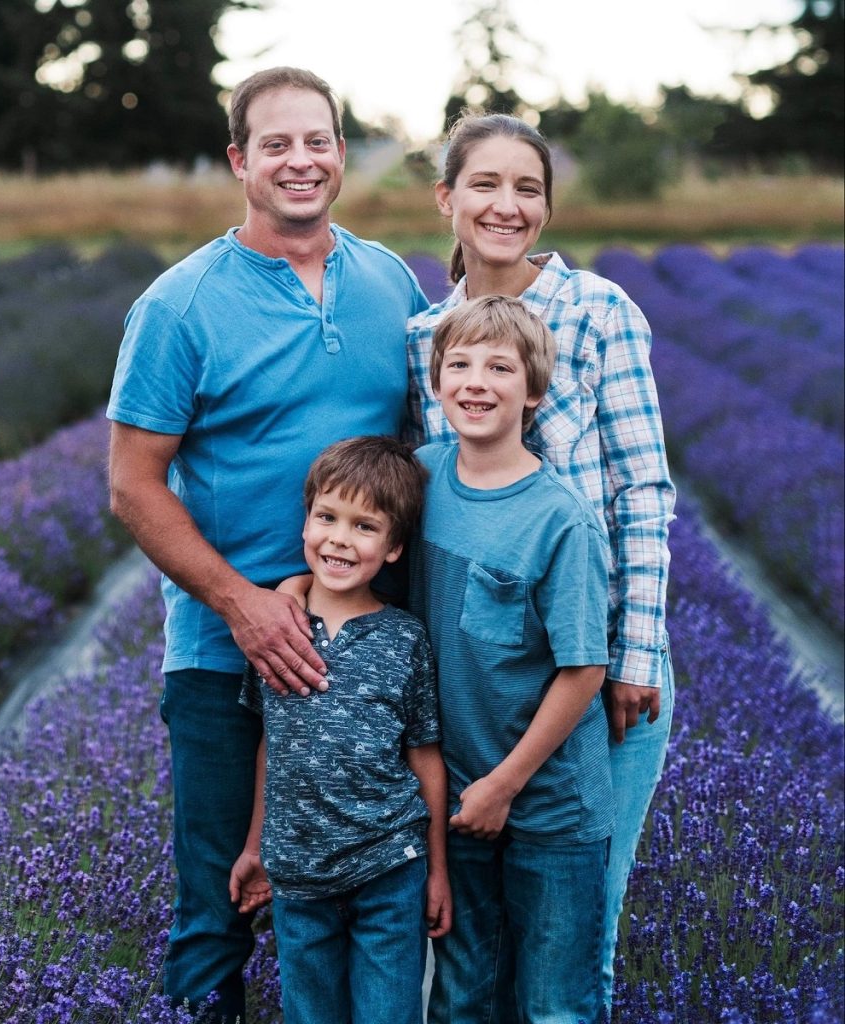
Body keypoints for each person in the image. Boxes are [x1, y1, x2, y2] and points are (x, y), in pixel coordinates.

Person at [106, 67, 430, 1018]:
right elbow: (132, 485)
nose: (302, 161)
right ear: (240, 162)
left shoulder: (388, 280)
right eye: (277, 144)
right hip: (224, 657)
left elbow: (423, 453)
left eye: (319, 140)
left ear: (340, 151)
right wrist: (242, 605)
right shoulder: (180, 304)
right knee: (220, 909)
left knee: (382, 900)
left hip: (367, 655)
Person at [406, 111, 676, 1014]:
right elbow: (429, 499)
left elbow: (642, 489)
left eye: (528, 188)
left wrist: (635, 656)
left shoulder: (600, 309)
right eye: (484, 184)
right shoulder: (425, 337)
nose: (506, 205)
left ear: (548, 208)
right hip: (479, 674)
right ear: (446, 198)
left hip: (593, 666)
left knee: (577, 932)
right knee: (469, 951)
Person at [412, 294, 612, 1022]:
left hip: (549, 805)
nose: (475, 381)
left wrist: (505, 784)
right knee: (463, 994)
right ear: (435, 383)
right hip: (460, 797)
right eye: (458, 364)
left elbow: (584, 668)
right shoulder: (422, 478)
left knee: (556, 1002)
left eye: (500, 367)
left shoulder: (560, 518)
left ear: (533, 392)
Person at [229, 435, 451, 1024]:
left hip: (389, 865)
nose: (339, 539)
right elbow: (270, 748)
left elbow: (425, 757)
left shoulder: (405, 638)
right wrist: (256, 848)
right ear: (305, 523)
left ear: (395, 546)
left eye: (364, 527)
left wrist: (437, 870)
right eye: (327, 517)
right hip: (298, 874)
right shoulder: (280, 632)